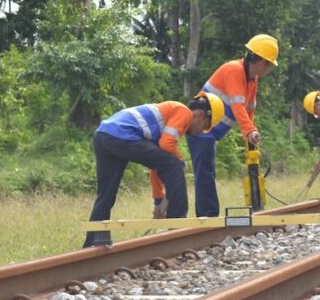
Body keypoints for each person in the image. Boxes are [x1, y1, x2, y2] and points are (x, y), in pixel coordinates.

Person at [83, 93, 224, 248]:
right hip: (123, 134)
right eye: (204, 126)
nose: (200, 132)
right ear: (201, 115)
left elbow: (157, 163)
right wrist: (180, 159)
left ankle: (93, 244)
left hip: (104, 135)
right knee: (174, 163)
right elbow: (166, 146)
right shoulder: (183, 112)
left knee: (105, 195)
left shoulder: (167, 121)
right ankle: (176, 227)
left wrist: (158, 200)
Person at [188, 34, 279, 217]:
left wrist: (250, 137)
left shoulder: (252, 79)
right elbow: (238, 106)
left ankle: (209, 217)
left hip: (210, 132)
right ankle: (207, 218)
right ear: (262, 62)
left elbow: (249, 109)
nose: (269, 69)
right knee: (205, 174)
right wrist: (249, 131)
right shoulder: (234, 71)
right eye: (269, 65)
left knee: (207, 172)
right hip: (200, 128)